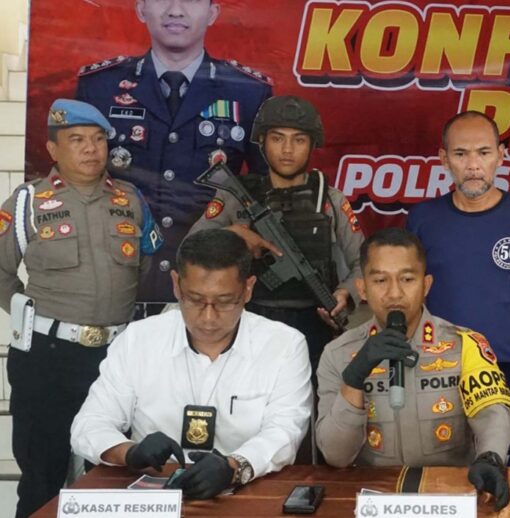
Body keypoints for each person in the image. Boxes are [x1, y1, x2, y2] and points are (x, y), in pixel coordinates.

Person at [0, 99, 162, 518]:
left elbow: (146, 267)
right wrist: (30, 316)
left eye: (98, 139)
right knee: (42, 477)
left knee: (115, 476)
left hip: (116, 358)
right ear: (53, 149)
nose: (91, 149)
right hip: (47, 359)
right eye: (77, 140)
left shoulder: (131, 199)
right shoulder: (27, 201)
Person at [70, 229, 313, 499]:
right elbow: (89, 425)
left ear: (247, 289)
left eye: (224, 302)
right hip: (155, 497)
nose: (208, 317)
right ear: (176, 285)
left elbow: (285, 432)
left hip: (247, 494)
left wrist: (234, 467)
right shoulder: (139, 339)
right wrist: (129, 452)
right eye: (195, 300)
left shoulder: (284, 345)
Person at [76, 0, 273, 306]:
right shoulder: (100, 86)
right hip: (119, 275)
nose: (176, 10)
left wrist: (241, 232)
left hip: (209, 283)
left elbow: (265, 186)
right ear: (141, 9)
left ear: (213, 13)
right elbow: (75, 181)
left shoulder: (248, 91)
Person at [316, 228, 510, 511]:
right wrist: (354, 376)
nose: (394, 293)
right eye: (380, 280)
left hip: (448, 501)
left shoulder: (465, 344)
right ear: (362, 289)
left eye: (407, 279)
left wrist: (490, 458)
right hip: (373, 503)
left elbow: (492, 415)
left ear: (426, 284)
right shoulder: (337, 354)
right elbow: (335, 455)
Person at [406, 111, 510, 468]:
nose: (473, 165)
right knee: (438, 464)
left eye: (484, 153)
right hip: (436, 364)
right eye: (461, 154)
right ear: (444, 159)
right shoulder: (422, 218)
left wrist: (495, 341)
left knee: (506, 466)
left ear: (500, 156)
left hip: (505, 363)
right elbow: (410, 290)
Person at [189, 95, 363, 379]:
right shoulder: (235, 195)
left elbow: (365, 264)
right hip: (247, 321)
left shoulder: (329, 199)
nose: (287, 149)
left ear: (312, 144)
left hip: (314, 324)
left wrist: (345, 294)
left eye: (299, 140)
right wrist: (232, 236)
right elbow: (188, 249)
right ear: (262, 141)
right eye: (277, 138)